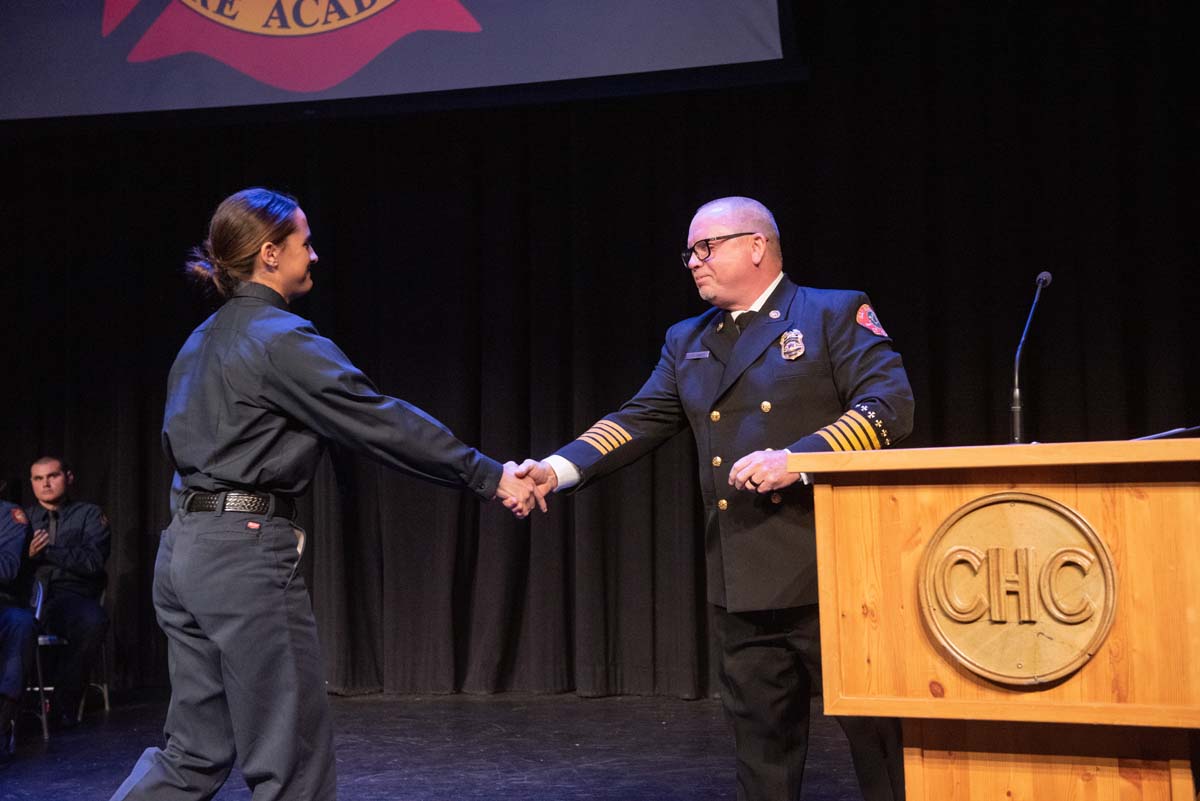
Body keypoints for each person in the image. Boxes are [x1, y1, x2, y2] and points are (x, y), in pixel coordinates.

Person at [110, 187, 540, 801]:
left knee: (194, 752)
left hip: (184, 549)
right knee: (292, 759)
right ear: (269, 254)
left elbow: (174, 445)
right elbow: (378, 419)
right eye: (304, 244)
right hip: (242, 554)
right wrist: (488, 473)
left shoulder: (197, 342)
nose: (314, 256)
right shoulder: (279, 338)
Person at [518, 197, 913, 801]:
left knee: (877, 741)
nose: (694, 263)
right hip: (744, 571)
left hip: (836, 568)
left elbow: (888, 407)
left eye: (707, 248)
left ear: (756, 246)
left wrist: (798, 458)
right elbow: (638, 419)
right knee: (761, 749)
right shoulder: (688, 340)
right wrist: (555, 468)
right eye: (690, 252)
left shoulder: (833, 313)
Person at [24, 456, 111, 729]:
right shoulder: (22, 518)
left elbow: (92, 562)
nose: (46, 484)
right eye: (38, 479)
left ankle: (63, 704)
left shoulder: (89, 515)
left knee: (92, 620)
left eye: (52, 476)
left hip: (70, 597)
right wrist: (28, 556)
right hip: (29, 598)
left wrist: (47, 551)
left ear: (68, 477)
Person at [0, 493, 35, 761]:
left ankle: (3, 722)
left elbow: (8, 567)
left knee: (21, 624)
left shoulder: (9, 516)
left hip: (4, 604)